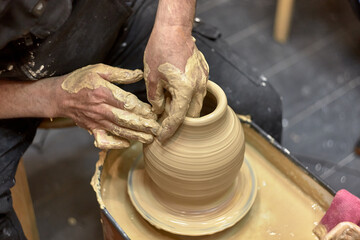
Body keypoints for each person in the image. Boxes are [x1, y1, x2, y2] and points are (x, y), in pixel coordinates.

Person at [0, 0, 282, 239]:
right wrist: (53, 97)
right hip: (11, 82)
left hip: (107, 15)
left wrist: (174, 27)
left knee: (257, 104)